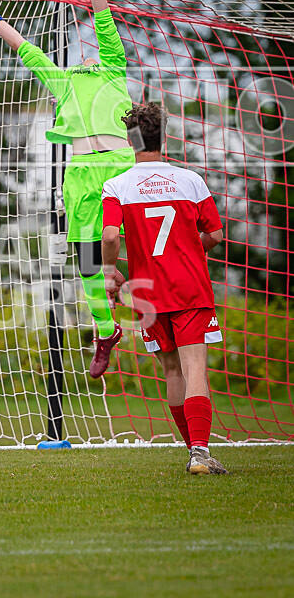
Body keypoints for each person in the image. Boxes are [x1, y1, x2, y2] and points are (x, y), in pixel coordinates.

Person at [0, 0, 135, 378]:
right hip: (79, 174)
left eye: (90, 52)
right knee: (87, 259)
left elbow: (104, 19)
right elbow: (29, 52)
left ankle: (144, 298)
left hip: (121, 168)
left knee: (141, 243)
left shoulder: (114, 68)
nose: (86, 55)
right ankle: (105, 330)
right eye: (82, 55)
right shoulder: (66, 80)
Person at [101, 102, 228, 475]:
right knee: (195, 369)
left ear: (131, 140)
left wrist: (110, 272)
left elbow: (110, 234)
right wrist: (190, 249)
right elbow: (216, 235)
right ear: (163, 136)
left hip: (148, 293)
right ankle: (200, 455)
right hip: (190, 288)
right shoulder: (190, 180)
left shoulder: (118, 185)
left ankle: (195, 452)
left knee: (173, 371)